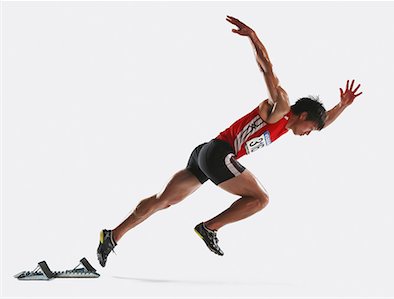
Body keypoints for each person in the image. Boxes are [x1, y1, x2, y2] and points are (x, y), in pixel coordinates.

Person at [97, 15, 363, 266]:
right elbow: (267, 69)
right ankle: (209, 227)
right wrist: (254, 37)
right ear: (303, 115)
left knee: (163, 200)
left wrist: (342, 105)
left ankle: (112, 235)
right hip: (219, 154)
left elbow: (323, 121)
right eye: (310, 128)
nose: (307, 134)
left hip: (205, 153)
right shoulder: (281, 107)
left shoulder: (294, 123)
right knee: (260, 199)